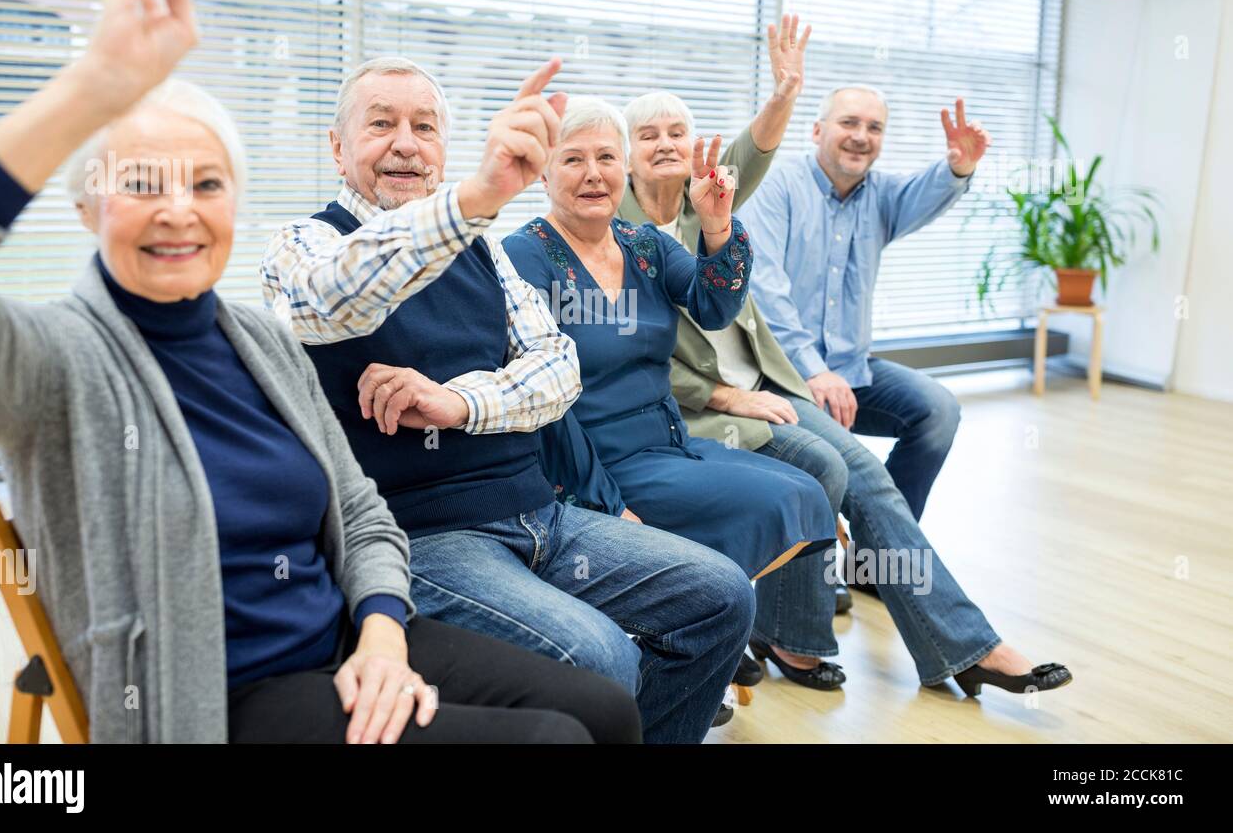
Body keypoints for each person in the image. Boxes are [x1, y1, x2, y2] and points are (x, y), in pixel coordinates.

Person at [0, 0, 645, 744]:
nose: (176, 211)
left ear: (233, 204)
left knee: (605, 708)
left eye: (205, 185)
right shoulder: (55, 361)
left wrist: (382, 629)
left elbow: (361, 510)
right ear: (87, 208)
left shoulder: (256, 342)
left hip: (348, 642)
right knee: (554, 740)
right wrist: (95, 88)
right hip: (215, 697)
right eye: (140, 184)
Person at [261, 57, 755, 744]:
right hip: (427, 540)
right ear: (338, 148)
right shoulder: (303, 245)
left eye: (424, 127)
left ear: (441, 148)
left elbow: (558, 371)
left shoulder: (484, 252)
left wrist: (456, 402)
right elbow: (338, 296)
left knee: (722, 595)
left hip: (543, 515)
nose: (406, 142)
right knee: (601, 656)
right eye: (382, 125)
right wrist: (468, 201)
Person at [621, 83, 1073, 697]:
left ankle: (924, 637)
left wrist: (787, 90)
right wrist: (726, 397)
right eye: (648, 136)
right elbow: (631, 349)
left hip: (768, 383)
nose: (666, 145)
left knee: (867, 466)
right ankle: (916, 642)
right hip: (699, 409)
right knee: (836, 468)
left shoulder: (708, 198)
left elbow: (755, 148)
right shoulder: (615, 227)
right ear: (623, 153)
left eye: (678, 132)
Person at [501, 96, 837, 599]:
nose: (594, 173)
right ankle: (700, 608)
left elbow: (714, 306)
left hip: (671, 443)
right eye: (573, 159)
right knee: (776, 502)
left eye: (607, 157)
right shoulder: (524, 253)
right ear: (543, 175)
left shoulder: (645, 244)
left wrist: (716, 225)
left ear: (625, 167)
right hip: (597, 464)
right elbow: (542, 403)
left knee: (807, 491)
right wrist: (606, 505)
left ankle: (701, 609)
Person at [738, 86, 985, 524]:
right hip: (781, 376)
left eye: (874, 128)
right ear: (816, 130)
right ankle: (873, 548)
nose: (861, 136)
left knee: (939, 412)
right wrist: (813, 370)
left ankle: (875, 556)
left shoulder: (881, 194)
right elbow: (765, 289)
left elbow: (925, 192)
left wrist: (958, 167)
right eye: (849, 123)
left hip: (851, 372)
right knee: (837, 461)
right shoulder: (778, 184)